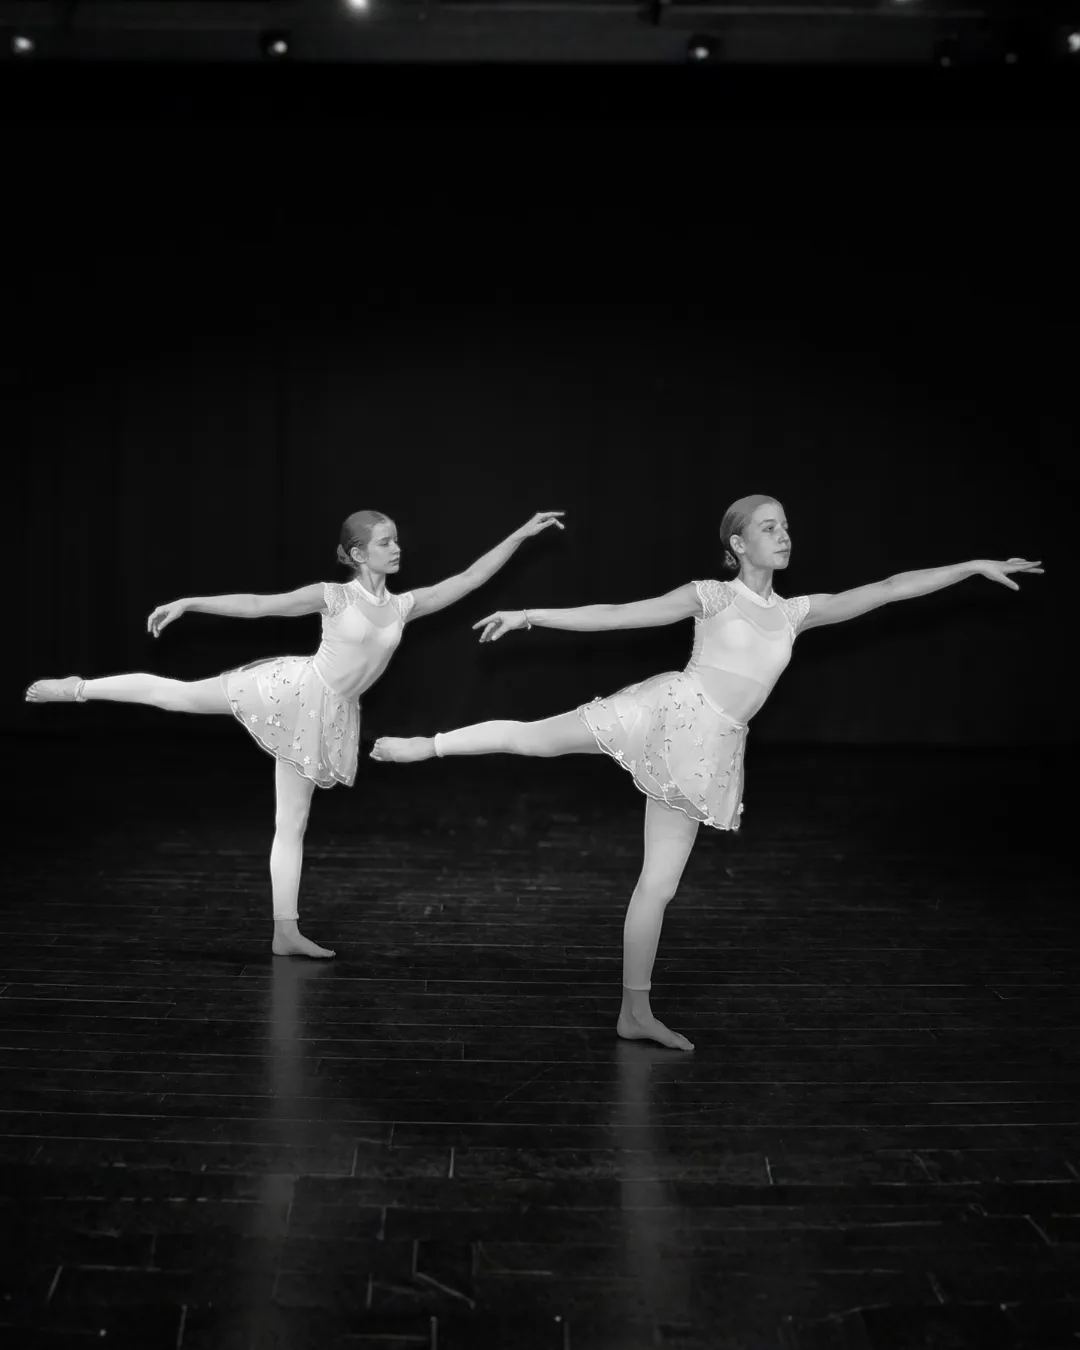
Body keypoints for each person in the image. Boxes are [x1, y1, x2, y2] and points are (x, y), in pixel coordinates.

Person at [371, 493, 1043, 1052]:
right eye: (769, 528)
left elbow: (890, 590)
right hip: (669, 709)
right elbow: (618, 616)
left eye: (786, 526)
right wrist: (530, 614)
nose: (784, 536)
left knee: (657, 887)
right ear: (739, 545)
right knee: (536, 741)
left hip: (711, 748)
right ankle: (422, 747)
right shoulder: (712, 597)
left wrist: (972, 564)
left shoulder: (793, 613)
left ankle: (634, 1012)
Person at [24, 508, 566, 959]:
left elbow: (470, 580)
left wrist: (519, 534)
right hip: (292, 690)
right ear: (358, 553)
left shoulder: (404, 604)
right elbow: (261, 607)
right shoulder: (334, 595)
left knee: (294, 823)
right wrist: (192, 603)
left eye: (396, 540)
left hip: (329, 716)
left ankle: (285, 931)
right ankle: (78, 688)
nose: (396, 548)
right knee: (180, 695)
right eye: (384, 542)